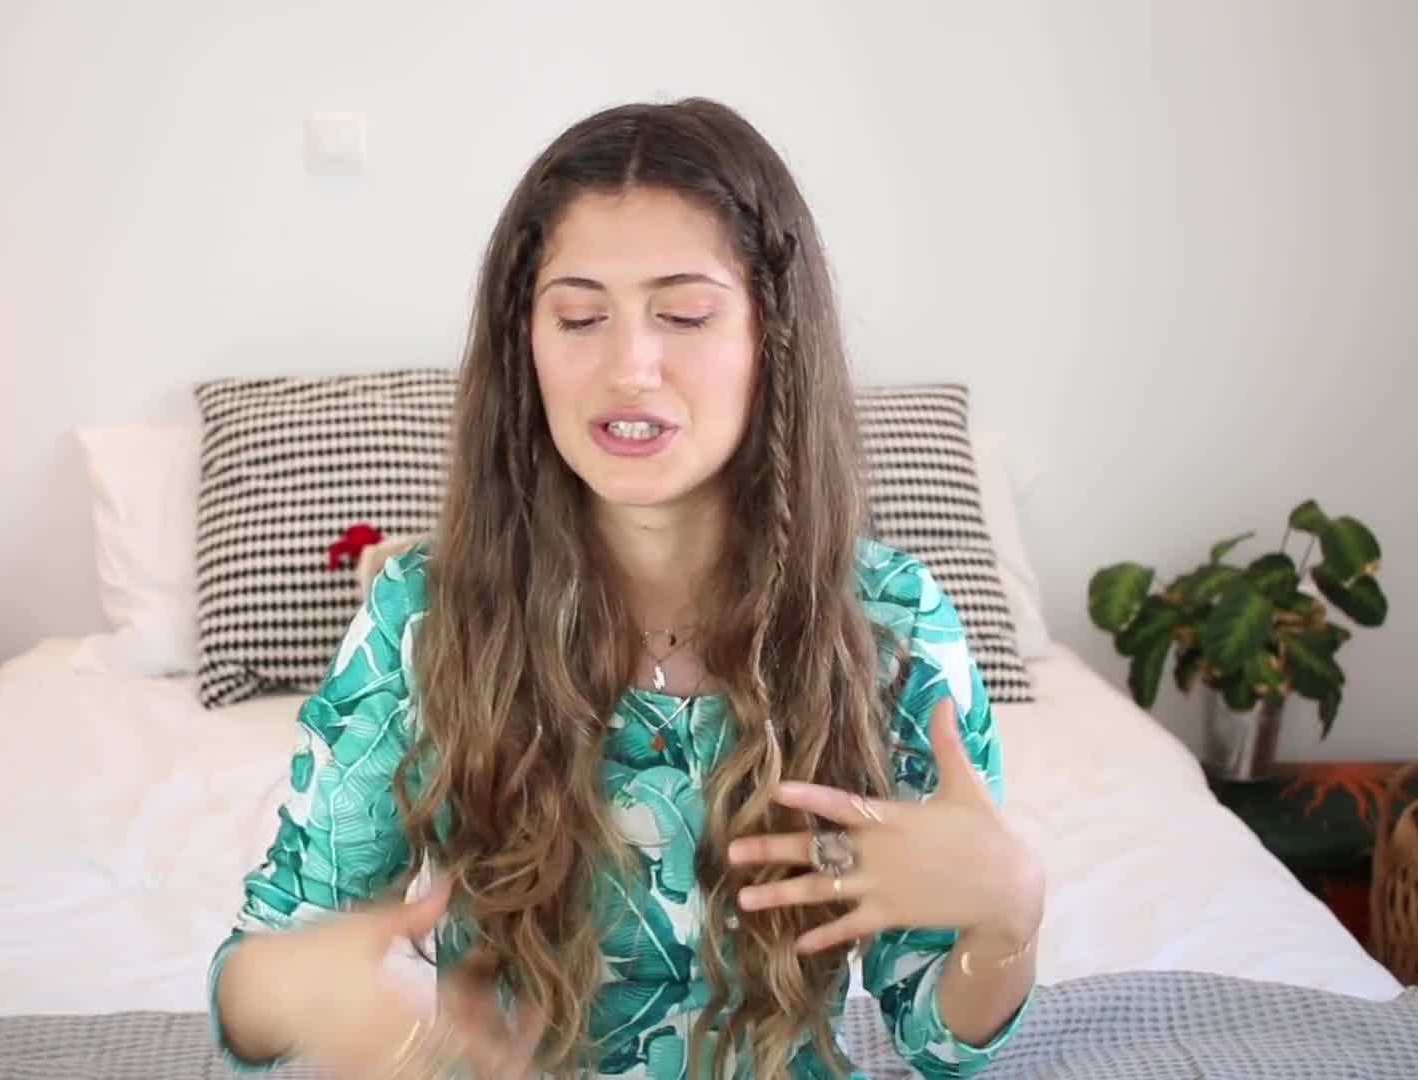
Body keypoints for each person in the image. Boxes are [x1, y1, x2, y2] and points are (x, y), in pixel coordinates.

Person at [209, 97, 1044, 1079]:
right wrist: (305, 992)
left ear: (771, 337)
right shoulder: (421, 618)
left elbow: (939, 1044)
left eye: (684, 314)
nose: (628, 366)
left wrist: (1008, 915)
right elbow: (254, 980)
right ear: (528, 344)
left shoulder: (892, 624)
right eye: (579, 316)